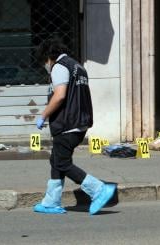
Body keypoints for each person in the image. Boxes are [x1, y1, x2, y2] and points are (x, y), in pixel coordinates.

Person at [33, 38, 116, 215]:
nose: (45, 66)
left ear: (49, 57)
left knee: (62, 162)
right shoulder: (78, 67)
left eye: (44, 61)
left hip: (67, 123)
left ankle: (99, 189)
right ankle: (51, 201)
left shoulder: (60, 67)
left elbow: (60, 95)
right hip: (79, 121)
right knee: (56, 160)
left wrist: (44, 115)